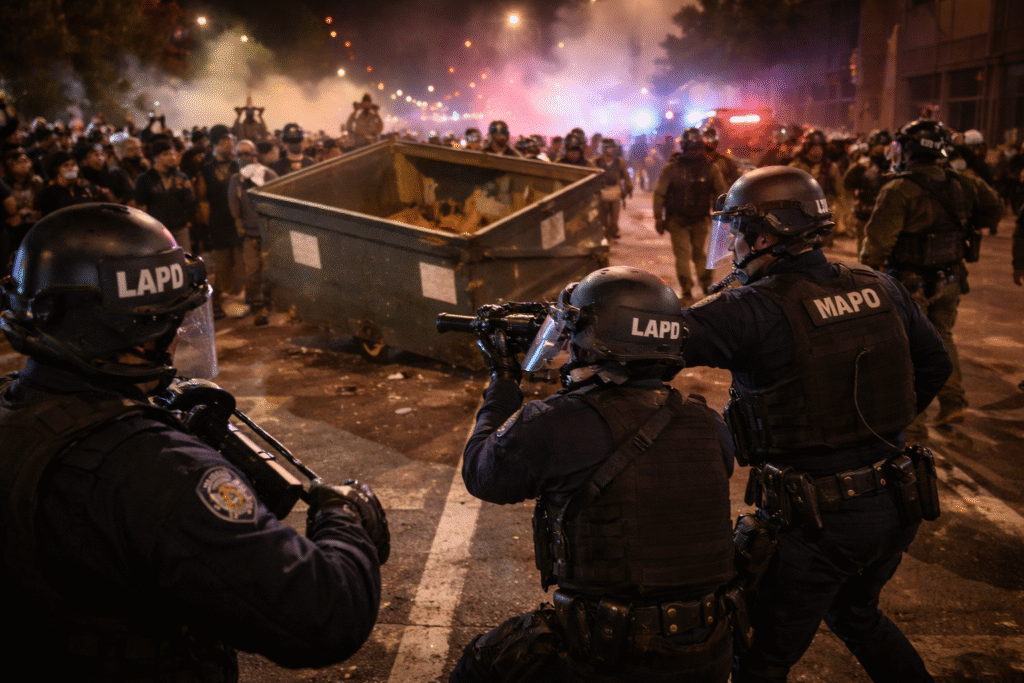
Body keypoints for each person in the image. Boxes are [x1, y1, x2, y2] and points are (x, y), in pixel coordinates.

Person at [0, 203, 389, 680]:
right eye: (170, 319)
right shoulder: (155, 470)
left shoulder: (16, 410)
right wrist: (344, 520)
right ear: (136, 330)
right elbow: (325, 614)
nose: (179, 332)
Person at [689, 165, 950, 683]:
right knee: (858, 616)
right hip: (897, 500)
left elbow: (651, 338)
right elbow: (935, 365)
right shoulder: (879, 286)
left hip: (815, 522)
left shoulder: (752, 310)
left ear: (766, 235)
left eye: (738, 231)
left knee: (759, 654)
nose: (733, 244)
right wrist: (872, 426)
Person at [451, 266, 736, 683]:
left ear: (594, 343)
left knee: (481, 664)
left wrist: (502, 381)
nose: (568, 346)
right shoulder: (710, 424)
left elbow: (482, 474)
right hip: (707, 650)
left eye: (573, 336)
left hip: (611, 656)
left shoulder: (553, 423)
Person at [860, 119, 1003, 429]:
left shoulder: (899, 189)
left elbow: (876, 247)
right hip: (952, 278)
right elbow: (995, 210)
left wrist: (870, 277)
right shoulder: (965, 181)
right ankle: (953, 403)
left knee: (909, 349)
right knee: (943, 339)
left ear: (909, 152)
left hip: (912, 285)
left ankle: (913, 425)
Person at [653, 127, 728, 303]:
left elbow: (659, 194)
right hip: (699, 219)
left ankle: (687, 289)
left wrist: (658, 217)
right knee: (698, 254)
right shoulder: (711, 168)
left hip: (678, 220)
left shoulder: (671, 168)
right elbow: (721, 194)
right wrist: (721, 217)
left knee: (683, 255)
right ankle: (706, 284)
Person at [228, 139, 278, 326]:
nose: (244, 158)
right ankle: (258, 308)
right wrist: (239, 225)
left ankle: (271, 304)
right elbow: (234, 205)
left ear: (255, 154)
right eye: (240, 155)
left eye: (247, 154)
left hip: (269, 232)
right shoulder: (236, 180)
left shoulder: (267, 174)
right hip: (250, 234)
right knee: (253, 272)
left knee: (270, 271)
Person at [195, 126, 241, 319]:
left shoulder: (238, 166)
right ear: (214, 145)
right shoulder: (206, 169)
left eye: (231, 141)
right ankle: (218, 302)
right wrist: (208, 224)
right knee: (222, 265)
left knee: (240, 263)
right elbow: (203, 198)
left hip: (237, 221)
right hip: (218, 222)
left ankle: (237, 299)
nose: (230, 145)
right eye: (224, 142)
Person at [134, 138, 197, 252]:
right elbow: (142, 208)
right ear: (156, 157)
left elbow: (190, 202)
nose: (172, 157)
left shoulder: (181, 177)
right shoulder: (144, 179)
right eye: (166, 154)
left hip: (181, 229)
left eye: (173, 154)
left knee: (184, 262)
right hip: (157, 232)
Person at [843, 129, 891, 252]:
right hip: (865, 215)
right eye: (877, 147)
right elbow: (847, 186)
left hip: (889, 217)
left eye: (883, 147)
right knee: (865, 253)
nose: (880, 150)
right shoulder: (861, 166)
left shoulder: (895, 167)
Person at [593, 138, 633, 240]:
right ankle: (605, 233)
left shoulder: (620, 162)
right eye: (609, 148)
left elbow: (626, 176)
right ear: (604, 149)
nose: (611, 150)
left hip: (615, 190)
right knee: (603, 216)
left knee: (614, 217)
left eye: (612, 148)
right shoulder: (596, 162)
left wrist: (629, 187)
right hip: (601, 192)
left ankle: (613, 230)